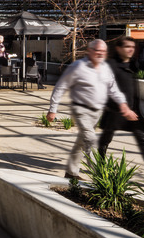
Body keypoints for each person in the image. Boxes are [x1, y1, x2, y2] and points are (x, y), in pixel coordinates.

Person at [46, 39, 137, 180]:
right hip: (81, 110)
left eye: (103, 51)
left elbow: (113, 90)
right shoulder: (78, 66)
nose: (100, 53)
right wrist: (53, 109)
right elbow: (61, 86)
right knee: (91, 140)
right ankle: (100, 178)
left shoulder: (106, 68)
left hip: (97, 112)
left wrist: (124, 106)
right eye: (97, 50)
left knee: (81, 142)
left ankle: (71, 173)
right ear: (89, 51)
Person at [98, 37, 144, 180]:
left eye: (133, 47)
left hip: (134, 111)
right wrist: (122, 109)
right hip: (115, 111)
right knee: (105, 140)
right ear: (118, 48)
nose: (131, 49)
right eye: (127, 46)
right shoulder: (109, 65)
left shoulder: (133, 64)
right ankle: (100, 167)